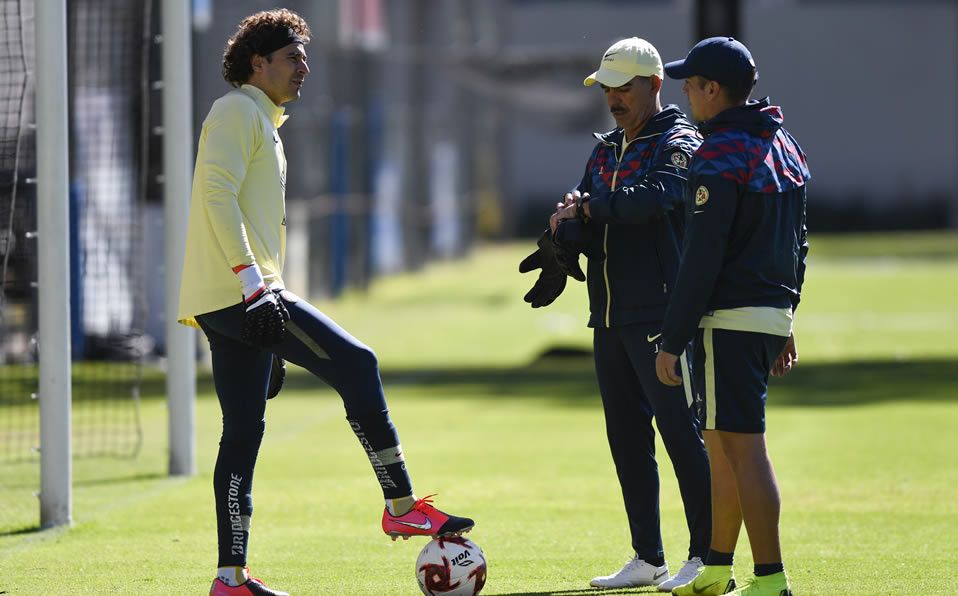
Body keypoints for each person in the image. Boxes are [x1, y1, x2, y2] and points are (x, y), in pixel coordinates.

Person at [177, 10, 473, 596]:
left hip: (228, 297)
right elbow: (216, 196)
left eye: (303, 57)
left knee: (242, 434)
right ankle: (402, 505)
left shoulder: (260, 119)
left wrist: (252, 299)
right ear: (258, 63)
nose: (304, 67)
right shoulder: (237, 110)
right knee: (358, 365)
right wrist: (255, 286)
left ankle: (230, 578)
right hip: (243, 292)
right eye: (293, 57)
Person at [520, 37, 711, 592]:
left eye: (623, 87)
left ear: (654, 85)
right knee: (627, 439)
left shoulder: (679, 139)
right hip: (607, 313)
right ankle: (648, 557)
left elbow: (658, 195)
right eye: (607, 88)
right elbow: (586, 194)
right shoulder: (606, 147)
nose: (613, 98)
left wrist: (590, 207)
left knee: (682, 435)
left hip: (661, 311)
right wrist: (566, 221)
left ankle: (704, 555)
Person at [654, 37, 809, 596]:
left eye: (691, 84)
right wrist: (786, 314)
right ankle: (718, 568)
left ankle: (770, 581)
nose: (687, 94)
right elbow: (799, 242)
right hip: (765, 311)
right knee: (720, 442)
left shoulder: (718, 151)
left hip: (729, 316)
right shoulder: (782, 142)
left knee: (742, 447)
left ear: (712, 90)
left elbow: (703, 252)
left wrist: (671, 338)